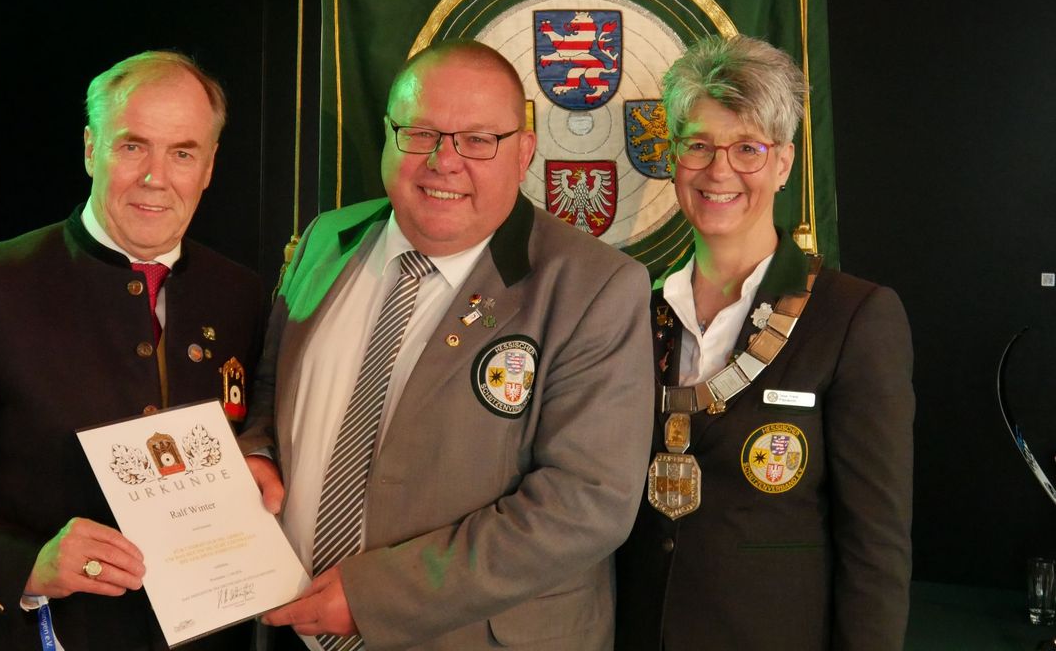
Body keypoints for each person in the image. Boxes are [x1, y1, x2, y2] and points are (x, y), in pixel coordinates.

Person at [240, 40, 654, 650]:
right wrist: (257, 453)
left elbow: (585, 505)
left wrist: (377, 597)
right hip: (289, 624)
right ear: (388, 135)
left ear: (524, 153)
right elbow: (272, 387)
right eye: (421, 133)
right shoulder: (327, 240)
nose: (444, 161)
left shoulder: (594, 288)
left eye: (478, 140)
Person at [0, 51, 267, 651]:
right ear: (90, 148)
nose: (155, 177)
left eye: (182, 153)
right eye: (132, 146)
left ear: (209, 166)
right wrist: (27, 564)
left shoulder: (241, 294)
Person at [614, 34, 914, 650]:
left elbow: (876, 546)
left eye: (747, 148)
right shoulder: (630, 310)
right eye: (698, 144)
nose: (718, 170)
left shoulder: (853, 317)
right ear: (673, 157)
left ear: (783, 164)